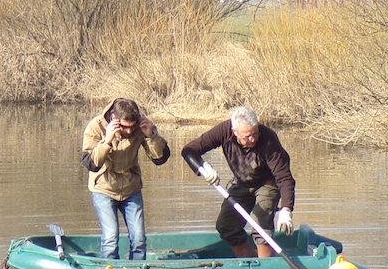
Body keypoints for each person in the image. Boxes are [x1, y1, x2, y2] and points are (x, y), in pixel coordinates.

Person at [181, 105, 295, 258]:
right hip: (242, 182)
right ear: (234, 131)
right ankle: (249, 262)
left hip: (267, 182)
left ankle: (266, 266)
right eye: (247, 136)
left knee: (261, 226)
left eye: (255, 133)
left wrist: (286, 210)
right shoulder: (224, 131)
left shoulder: (268, 139)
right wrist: (203, 167)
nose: (252, 139)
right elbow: (189, 150)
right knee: (226, 226)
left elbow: (284, 177)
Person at [81, 98, 170, 260]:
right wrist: (107, 141)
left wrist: (151, 136)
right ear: (113, 119)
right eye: (124, 127)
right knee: (110, 238)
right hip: (103, 189)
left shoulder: (142, 126)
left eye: (132, 127)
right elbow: (91, 164)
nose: (129, 131)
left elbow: (160, 159)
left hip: (131, 188)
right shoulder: (96, 126)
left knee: (139, 239)